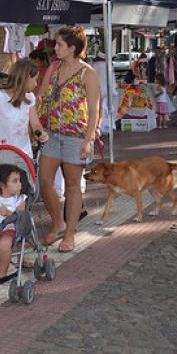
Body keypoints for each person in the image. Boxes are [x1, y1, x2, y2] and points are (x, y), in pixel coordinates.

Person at [36, 26, 101, 254]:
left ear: (73, 48)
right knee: (44, 182)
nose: (55, 48)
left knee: (73, 186)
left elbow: (94, 110)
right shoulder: (53, 68)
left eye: (60, 44)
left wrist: (88, 139)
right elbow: (41, 98)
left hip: (75, 137)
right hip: (52, 134)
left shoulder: (88, 73)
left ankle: (70, 233)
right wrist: (33, 123)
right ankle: (58, 222)